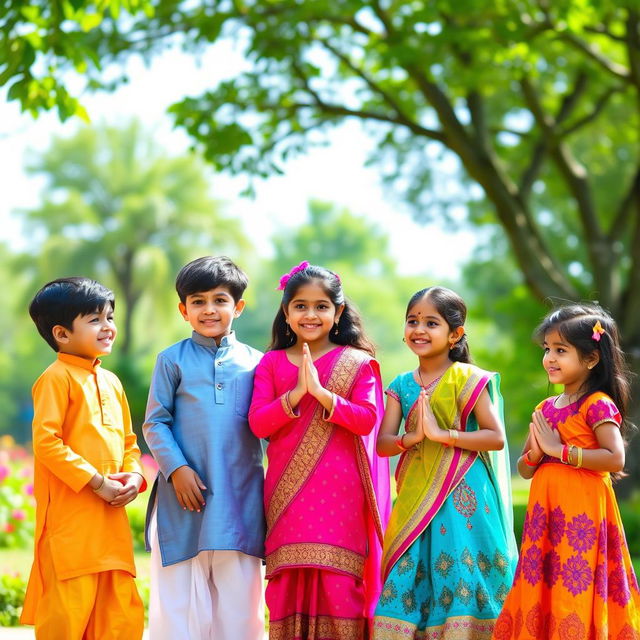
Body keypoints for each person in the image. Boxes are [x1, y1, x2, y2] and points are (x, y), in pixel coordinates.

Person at [248, 261, 391, 639]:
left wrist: (324, 395)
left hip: (343, 496)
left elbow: (367, 420)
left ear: (338, 312)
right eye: (300, 306)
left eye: (321, 306)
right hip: (286, 494)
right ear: (286, 312)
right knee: (285, 586)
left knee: (340, 585)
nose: (310, 314)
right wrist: (296, 393)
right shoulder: (272, 363)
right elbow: (258, 423)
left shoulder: (358, 364)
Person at [373, 286, 517, 640]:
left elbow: (495, 436)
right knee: (409, 573)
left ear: (455, 335)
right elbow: (383, 445)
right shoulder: (401, 384)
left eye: (431, 323)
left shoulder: (468, 379)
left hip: (466, 496)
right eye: (412, 321)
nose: (419, 329)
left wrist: (443, 435)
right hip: (415, 497)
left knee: (464, 573)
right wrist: (413, 439)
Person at [493, 304, 640, 639]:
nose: (550, 358)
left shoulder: (597, 403)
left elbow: (614, 458)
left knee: (574, 582)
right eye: (547, 349)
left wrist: (559, 450)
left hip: (581, 514)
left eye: (561, 350)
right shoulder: (545, 408)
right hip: (545, 514)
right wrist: (536, 453)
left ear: (590, 359)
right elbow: (526, 469)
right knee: (542, 581)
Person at [143, 255, 265, 640]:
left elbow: (270, 426)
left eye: (220, 299)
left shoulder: (258, 364)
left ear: (239, 306)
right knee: (178, 601)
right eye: (198, 301)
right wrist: (176, 470)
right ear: (183, 310)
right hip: (183, 499)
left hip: (239, 498)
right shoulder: (171, 360)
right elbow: (155, 422)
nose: (209, 309)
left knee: (240, 604)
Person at [20, 277, 146, 640]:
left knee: (119, 615)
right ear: (61, 333)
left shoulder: (111, 382)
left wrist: (134, 477)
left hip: (111, 529)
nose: (107, 327)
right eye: (94, 319)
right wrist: (97, 483)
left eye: (109, 317)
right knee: (68, 616)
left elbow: (128, 441)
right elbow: (47, 443)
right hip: (71, 531)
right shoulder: (55, 379)